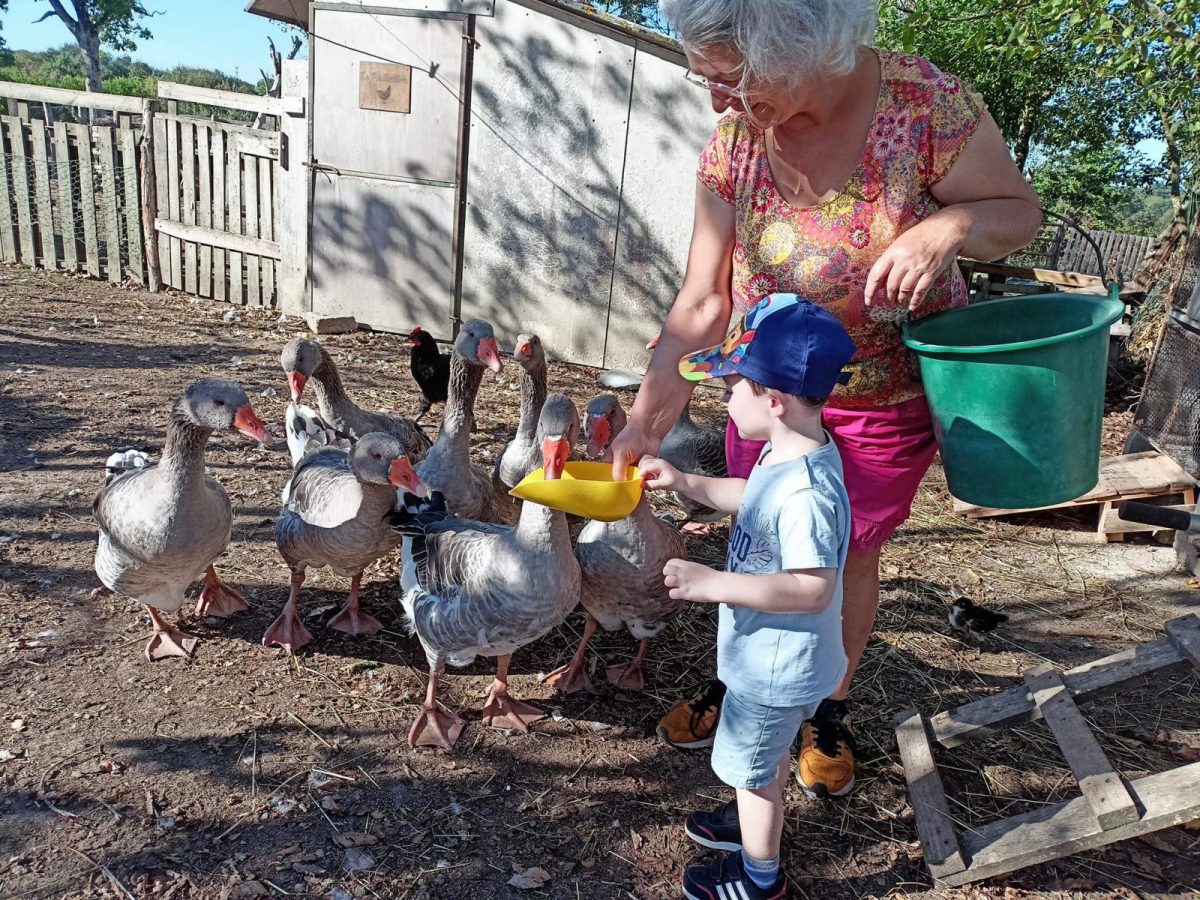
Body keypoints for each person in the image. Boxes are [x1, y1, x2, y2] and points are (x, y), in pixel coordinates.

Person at [611, 0, 1042, 797]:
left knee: (843, 557)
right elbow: (702, 300)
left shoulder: (925, 106)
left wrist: (947, 228)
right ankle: (745, 692)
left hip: (883, 399)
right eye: (702, 77)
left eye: (731, 78)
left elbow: (1019, 212)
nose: (715, 100)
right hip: (765, 399)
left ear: (798, 49)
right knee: (760, 541)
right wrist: (645, 421)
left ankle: (826, 712)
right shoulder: (737, 141)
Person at [639, 293, 855, 899]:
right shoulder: (787, 453)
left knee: (752, 767)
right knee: (765, 756)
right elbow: (750, 497)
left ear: (774, 401)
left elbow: (813, 588)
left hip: (775, 667)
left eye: (733, 386)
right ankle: (752, 816)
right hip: (771, 656)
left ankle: (761, 878)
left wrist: (715, 586)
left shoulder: (808, 493)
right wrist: (689, 483)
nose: (723, 396)